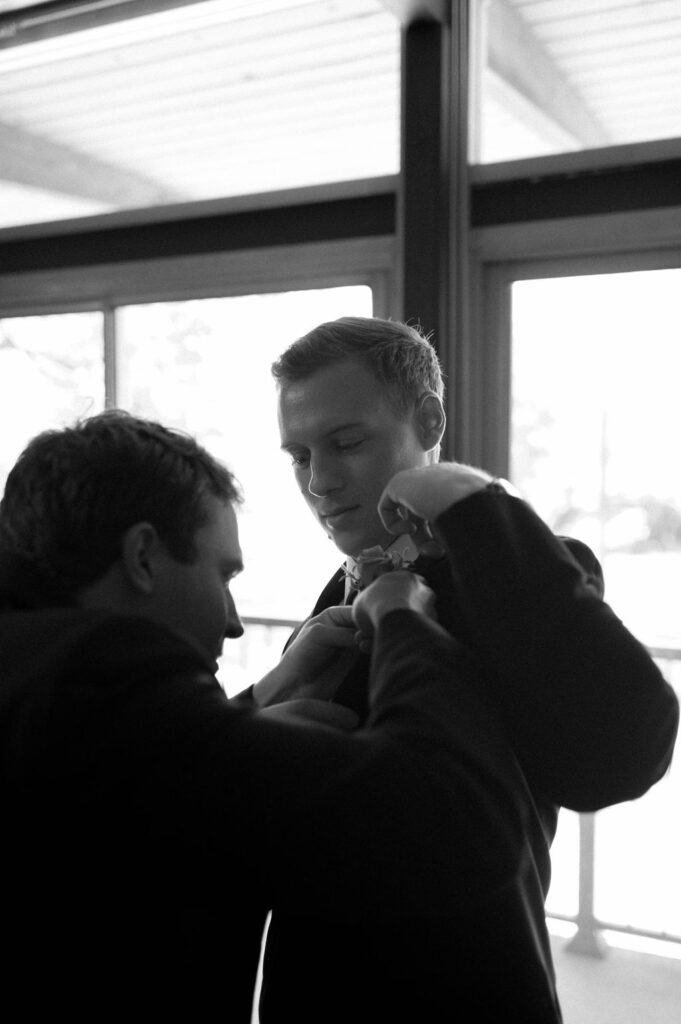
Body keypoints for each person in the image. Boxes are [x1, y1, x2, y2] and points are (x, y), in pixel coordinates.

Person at [0, 410, 562, 1023]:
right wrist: (405, 620)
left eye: (347, 440)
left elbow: (148, 791)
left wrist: (260, 701)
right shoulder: (104, 684)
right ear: (142, 557)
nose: (234, 620)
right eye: (223, 575)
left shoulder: (36, 669)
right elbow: (458, 834)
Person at [254, 315, 680, 1021]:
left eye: (346, 442)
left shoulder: (519, 573)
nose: (319, 481)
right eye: (298, 456)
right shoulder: (338, 589)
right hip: (313, 982)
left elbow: (617, 756)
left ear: (428, 419)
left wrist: (475, 505)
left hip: (464, 986)